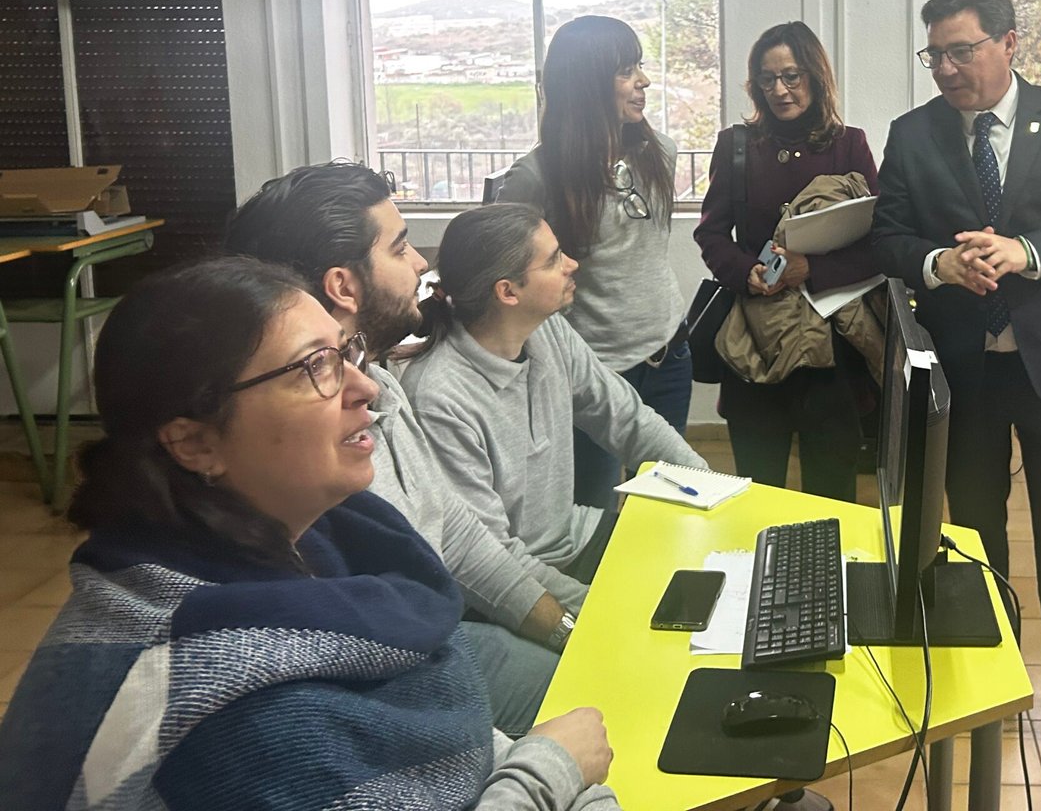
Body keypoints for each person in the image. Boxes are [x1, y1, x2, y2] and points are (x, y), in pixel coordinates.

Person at [0, 257, 618, 811]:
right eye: (313, 369)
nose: (366, 387)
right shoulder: (242, 728)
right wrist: (547, 771)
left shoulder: (319, 539)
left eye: (346, 353)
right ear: (194, 441)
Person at [870, 0, 1041, 777]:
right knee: (974, 527)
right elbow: (885, 236)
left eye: (962, 50)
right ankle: (991, 674)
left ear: (1008, 43)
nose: (946, 69)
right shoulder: (913, 134)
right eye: (935, 54)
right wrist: (937, 262)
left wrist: (1030, 252)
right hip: (963, 369)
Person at [224, 161, 572, 735]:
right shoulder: (302, 455)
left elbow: (458, 536)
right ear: (343, 285)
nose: (421, 264)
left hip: (439, 632)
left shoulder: (379, 383)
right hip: (410, 661)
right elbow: (366, 682)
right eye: (402, 247)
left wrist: (567, 628)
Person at [402, 201, 707, 597]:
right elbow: (490, 559)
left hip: (572, 538)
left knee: (709, 559)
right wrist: (596, 611)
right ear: (507, 292)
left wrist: (716, 490)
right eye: (553, 260)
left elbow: (628, 420)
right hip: (515, 581)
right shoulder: (439, 396)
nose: (572, 265)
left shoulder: (549, 333)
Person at [499, 15, 691, 509]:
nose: (644, 82)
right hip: (593, 373)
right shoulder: (535, 177)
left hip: (670, 354)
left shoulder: (660, 153)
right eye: (627, 71)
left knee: (670, 501)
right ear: (586, 84)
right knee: (594, 511)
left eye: (640, 68)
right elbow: (502, 277)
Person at [693, 21, 881, 500]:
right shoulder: (737, 146)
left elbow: (879, 242)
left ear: (816, 77)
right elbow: (712, 232)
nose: (779, 89)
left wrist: (811, 270)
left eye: (792, 76)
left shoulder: (849, 144)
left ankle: (828, 576)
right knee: (757, 493)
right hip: (756, 340)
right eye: (767, 78)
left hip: (831, 346)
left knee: (832, 495)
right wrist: (745, 273)